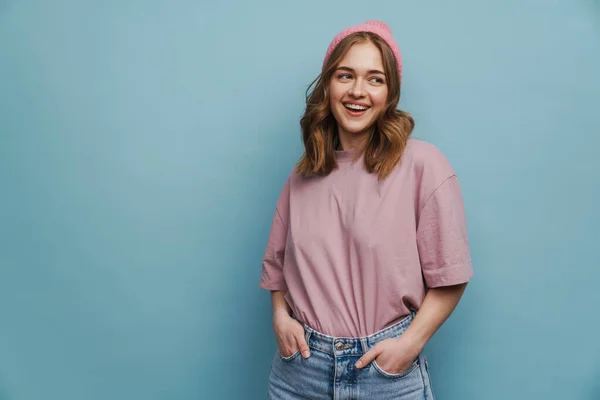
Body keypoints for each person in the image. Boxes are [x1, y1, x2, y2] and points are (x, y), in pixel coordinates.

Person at [259, 20, 473, 400]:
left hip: (384, 374)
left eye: (375, 79)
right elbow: (276, 268)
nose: (358, 91)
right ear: (328, 84)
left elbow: (451, 276)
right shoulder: (303, 173)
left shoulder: (423, 165)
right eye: (346, 75)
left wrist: (407, 347)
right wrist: (280, 316)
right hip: (299, 374)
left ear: (390, 92)